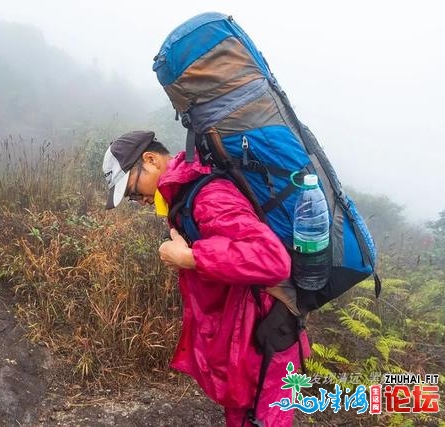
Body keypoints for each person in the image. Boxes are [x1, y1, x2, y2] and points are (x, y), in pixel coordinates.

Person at [102, 130, 310, 427]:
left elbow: (273, 260)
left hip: (267, 335)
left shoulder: (207, 196)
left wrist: (193, 258)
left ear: (150, 159)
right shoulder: (183, 194)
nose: (139, 200)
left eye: (133, 192)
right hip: (247, 333)